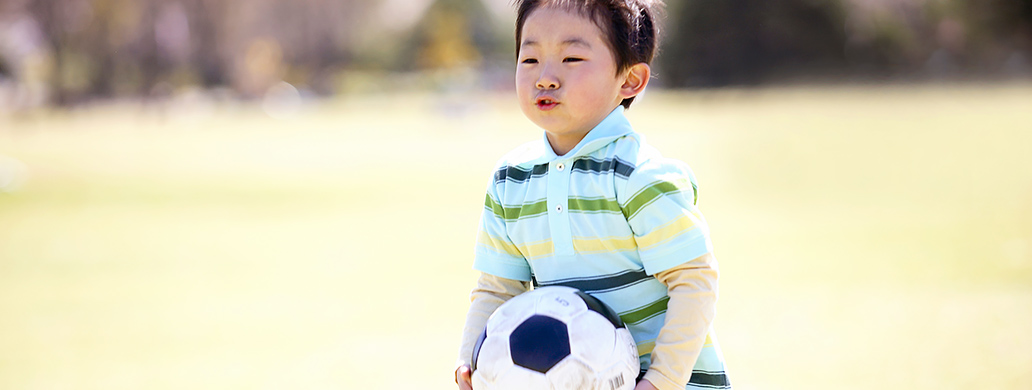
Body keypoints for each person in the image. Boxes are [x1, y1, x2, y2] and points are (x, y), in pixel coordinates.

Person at [455, 1, 730, 389]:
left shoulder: (641, 176)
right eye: (530, 58)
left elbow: (694, 281)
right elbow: (498, 287)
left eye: (571, 58)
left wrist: (661, 381)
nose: (546, 77)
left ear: (630, 79)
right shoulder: (510, 180)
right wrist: (470, 360)